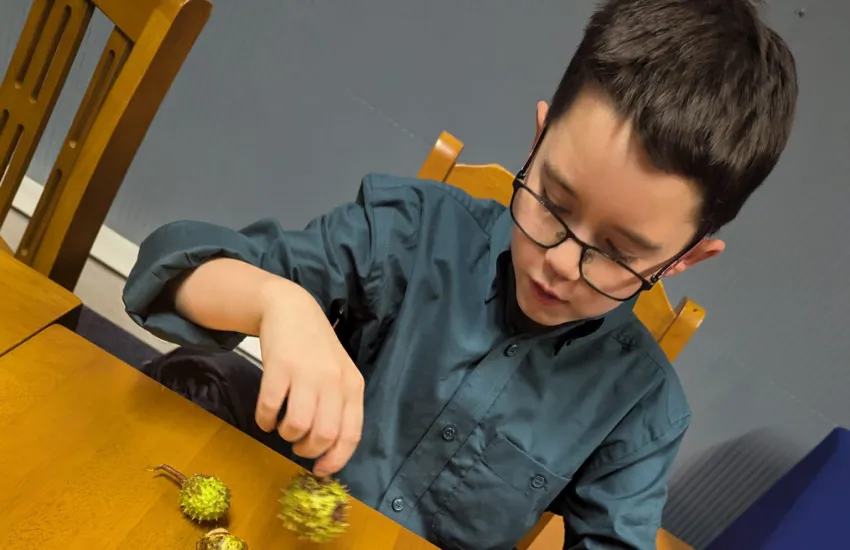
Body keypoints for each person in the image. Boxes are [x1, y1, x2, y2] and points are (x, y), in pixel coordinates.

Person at [122, 0, 797, 548]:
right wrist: (275, 301)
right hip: (274, 511)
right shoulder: (415, 229)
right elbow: (172, 268)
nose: (561, 263)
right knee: (178, 383)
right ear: (536, 142)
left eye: (619, 254)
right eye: (554, 203)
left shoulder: (643, 409)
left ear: (683, 260)